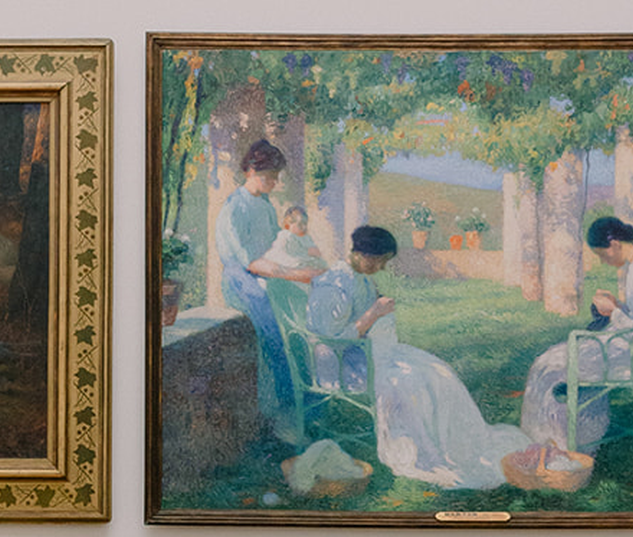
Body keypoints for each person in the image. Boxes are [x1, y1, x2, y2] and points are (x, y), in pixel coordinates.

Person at [308, 226, 529, 490]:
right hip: (340, 364)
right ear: (362, 255)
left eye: (384, 262)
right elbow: (329, 340)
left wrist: (376, 309)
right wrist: (374, 315)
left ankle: (454, 442)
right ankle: (417, 450)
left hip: (364, 354)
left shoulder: (361, 278)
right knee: (410, 381)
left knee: (437, 371)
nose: (381, 268)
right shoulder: (333, 285)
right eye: (379, 261)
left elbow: (360, 316)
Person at [519, 215, 633, 454]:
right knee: (551, 360)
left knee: (549, 366)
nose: (604, 261)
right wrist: (618, 306)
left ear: (614, 244)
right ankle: (564, 441)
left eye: (603, 255)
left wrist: (613, 311)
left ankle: (553, 446)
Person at [213, 138, 299, 443]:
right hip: (244, 284)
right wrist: (292, 273)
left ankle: (296, 409)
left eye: (276, 177)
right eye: (270, 177)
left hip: (266, 278)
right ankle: (282, 417)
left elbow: (274, 245)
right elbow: (249, 261)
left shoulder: (263, 205)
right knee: (276, 341)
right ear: (250, 170)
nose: (275, 183)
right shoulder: (234, 208)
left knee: (297, 332)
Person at [257, 203, 328, 279]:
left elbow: (314, 250)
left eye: (305, 224)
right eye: (300, 224)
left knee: (319, 265)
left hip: (302, 258)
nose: (303, 227)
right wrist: (308, 251)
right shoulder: (287, 235)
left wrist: (314, 251)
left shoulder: (306, 237)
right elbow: (292, 250)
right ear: (288, 225)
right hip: (287, 258)